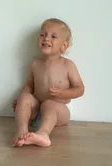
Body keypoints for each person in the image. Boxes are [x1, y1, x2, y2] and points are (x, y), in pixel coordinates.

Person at [12, 18, 85, 147]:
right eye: (43, 35)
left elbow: (80, 89)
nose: (46, 38)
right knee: (24, 97)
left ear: (64, 46)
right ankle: (22, 131)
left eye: (53, 36)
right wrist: (20, 100)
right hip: (36, 111)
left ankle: (43, 134)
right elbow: (29, 85)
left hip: (58, 112)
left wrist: (63, 93)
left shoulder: (67, 65)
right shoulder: (35, 64)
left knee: (49, 104)